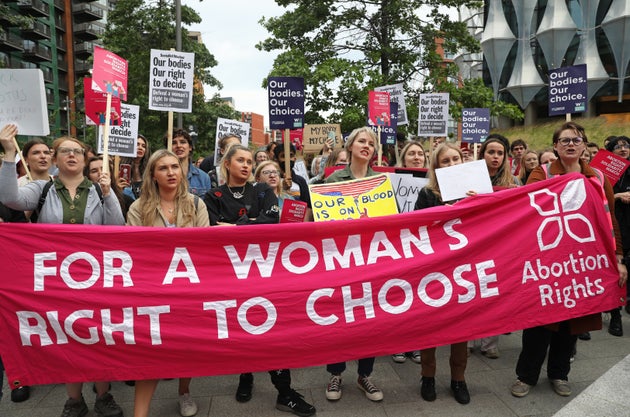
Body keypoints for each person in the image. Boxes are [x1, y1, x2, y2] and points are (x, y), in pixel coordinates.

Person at [0, 124, 125, 417]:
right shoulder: (41, 188)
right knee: (65, 338)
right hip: (56, 279)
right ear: (55, 159)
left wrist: (108, 194)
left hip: (94, 278)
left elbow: (117, 228)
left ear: (85, 158)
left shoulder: (96, 188)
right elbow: (10, 198)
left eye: (77, 151)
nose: (72, 155)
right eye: (65, 151)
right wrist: (8, 155)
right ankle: (74, 400)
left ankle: (104, 396)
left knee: (98, 337)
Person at [511, 122, 627, 399]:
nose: (571, 144)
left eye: (577, 139)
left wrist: (618, 257)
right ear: (555, 146)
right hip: (550, 262)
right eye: (564, 141)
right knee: (539, 323)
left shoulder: (598, 177)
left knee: (571, 324)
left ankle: (559, 374)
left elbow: (611, 220)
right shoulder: (542, 173)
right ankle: (526, 375)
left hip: (583, 263)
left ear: (585, 145)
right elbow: (528, 209)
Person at [203, 145, 314, 417]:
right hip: (231, 274)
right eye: (240, 160)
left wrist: (235, 227)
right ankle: (245, 374)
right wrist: (252, 222)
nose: (246, 165)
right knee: (242, 327)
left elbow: (272, 220)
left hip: (264, 271)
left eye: (250, 161)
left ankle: (285, 392)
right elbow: (213, 231)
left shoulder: (263, 190)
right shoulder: (212, 195)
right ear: (227, 164)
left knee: (271, 330)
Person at [127, 149, 209, 417]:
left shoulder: (196, 205)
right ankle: (140, 412)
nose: (172, 172)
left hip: (188, 290)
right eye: (164, 168)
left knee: (187, 349)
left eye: (175, 166)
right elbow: (135, 253)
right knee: (149, 353)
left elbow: (205, 247)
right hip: (153, 291)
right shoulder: (137, 208)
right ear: (153, 174)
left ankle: (184, 392)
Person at [324, 127, 384, 403]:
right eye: (362, 141)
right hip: (342, 261)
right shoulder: (335, 180)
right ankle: (335, 373)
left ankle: (364, 375)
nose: (367, 146)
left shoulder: (381, 181)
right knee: (340, 319)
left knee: (369, 321)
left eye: (371, 143)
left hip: (371, 261)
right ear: (350, 147)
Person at [414, 143, 473, 405]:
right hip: (435, 271)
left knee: (462, 327)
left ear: (463, 161)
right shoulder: (427, 194)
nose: (451, 164)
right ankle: (428, 376)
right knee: (432, 326)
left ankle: (458, 378)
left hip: (466, 269)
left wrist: (475, 201)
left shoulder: (477, 191)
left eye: (455, 159)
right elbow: (417, 229)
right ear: (437, 168)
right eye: (445, 161)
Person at [605, 135, 630, 333]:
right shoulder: (604, 173)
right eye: (618, 146)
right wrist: (618, 196)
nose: (623, 149)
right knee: (616, 271)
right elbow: (599, 197)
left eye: (626, 146)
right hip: (614, 226)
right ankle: (615, 316)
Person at [164, 129, 211, 197]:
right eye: (173, 143)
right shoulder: (161, 176)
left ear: (190, 147)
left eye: (183, 142)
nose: (178, 146)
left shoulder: (204, 178)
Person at [119, 134, 150, 199]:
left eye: (143, 146)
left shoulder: (149, 169)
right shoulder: (120, 168)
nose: (140, 148)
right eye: (137, 144)